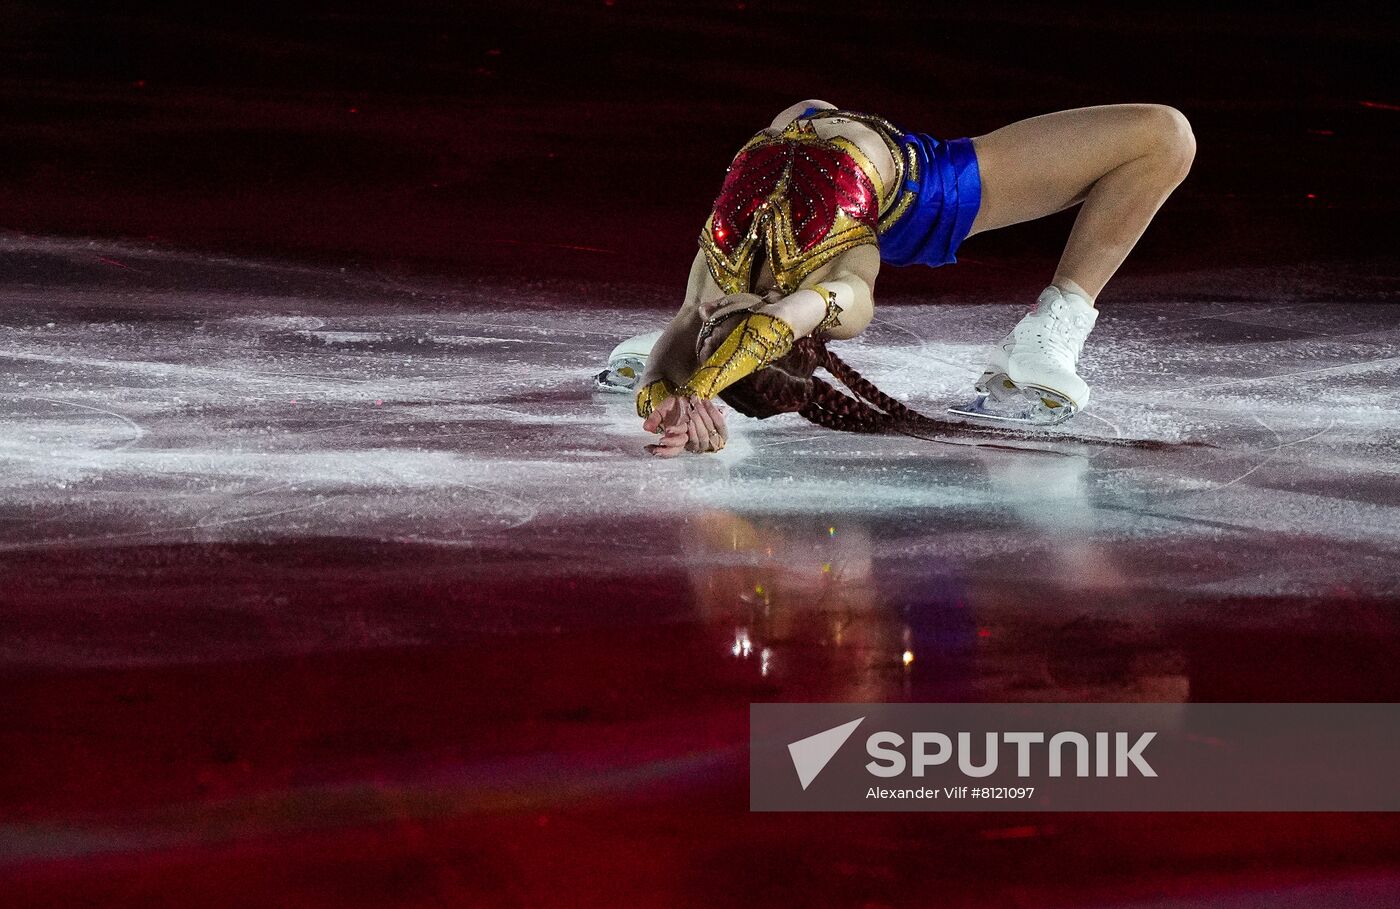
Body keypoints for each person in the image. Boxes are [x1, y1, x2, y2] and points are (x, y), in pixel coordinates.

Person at [623, 99, 1195, 457]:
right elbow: (719, 319)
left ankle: (738, 356)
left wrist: (676, 397)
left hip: (837, 158)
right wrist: (688, 391)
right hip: (912, 194)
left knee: (1166, 135)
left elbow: (700, 318)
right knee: (1166, 137)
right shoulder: (836, 284)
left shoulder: (731, 264)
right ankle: (1054, 324)